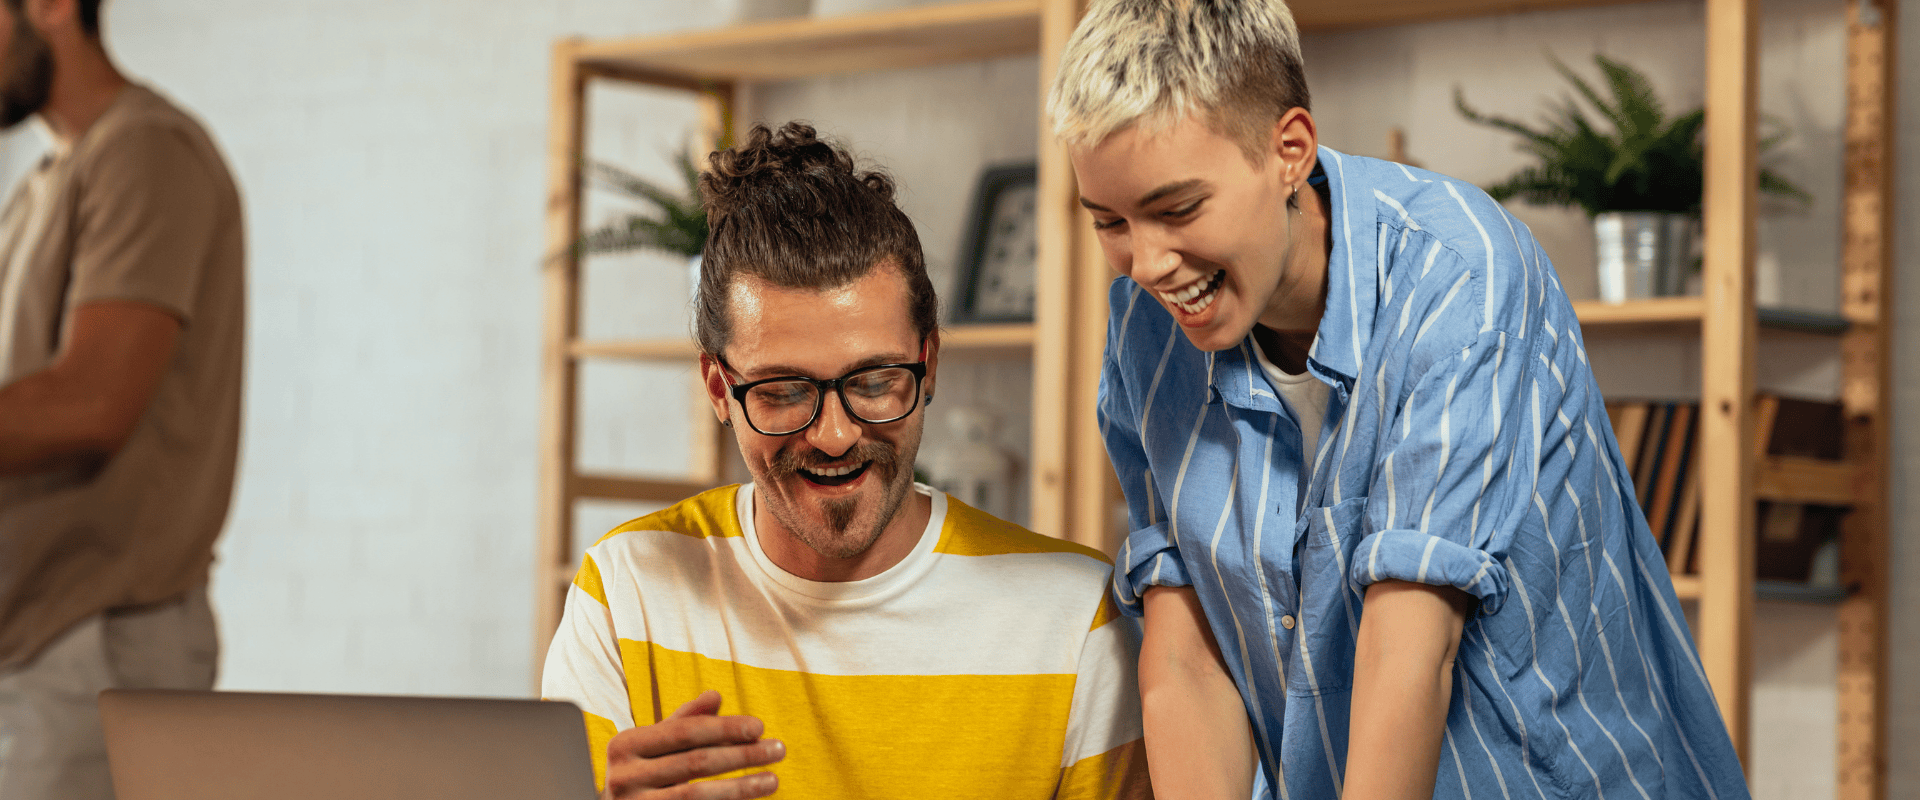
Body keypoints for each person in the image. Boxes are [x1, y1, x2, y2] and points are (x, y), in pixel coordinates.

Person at [1047, 1, 1749, 798]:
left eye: (1177, 210)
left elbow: (1410, 649)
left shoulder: (1460, 277)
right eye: (1109, 222)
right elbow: (1187, 657)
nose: (1146, 264)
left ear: (1288, 150)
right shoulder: (1144, 331)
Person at [541, 121, 1148, 800]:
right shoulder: (626, 593)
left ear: (929, 363)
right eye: (782, 391)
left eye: (873, 382)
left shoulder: (1075, 618)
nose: (833, 435)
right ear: (718, 388)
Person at [0, 0, 245, 797]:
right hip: (38, 645)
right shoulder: (44, 181)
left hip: (93, 650)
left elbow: (91, 402)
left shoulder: (146, 151)